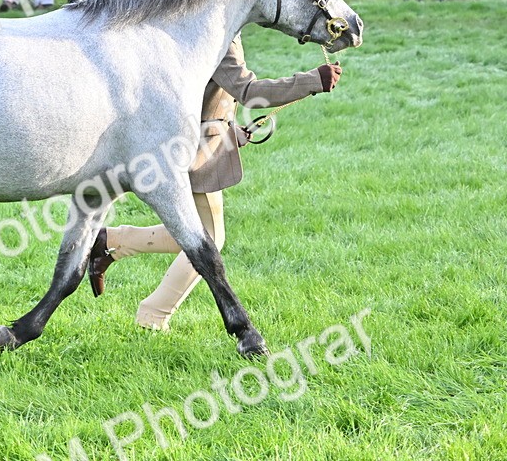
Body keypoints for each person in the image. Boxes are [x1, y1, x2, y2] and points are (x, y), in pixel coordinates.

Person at [87, 38, 344, 329]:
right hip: (194, 148)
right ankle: (153, 314)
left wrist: (228, 130)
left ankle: (111, 241)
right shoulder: (218, 31)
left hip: (185, 140)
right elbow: (247, 90)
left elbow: (209, 94)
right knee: (208, 240)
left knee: (189, 233)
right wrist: (313, 80)